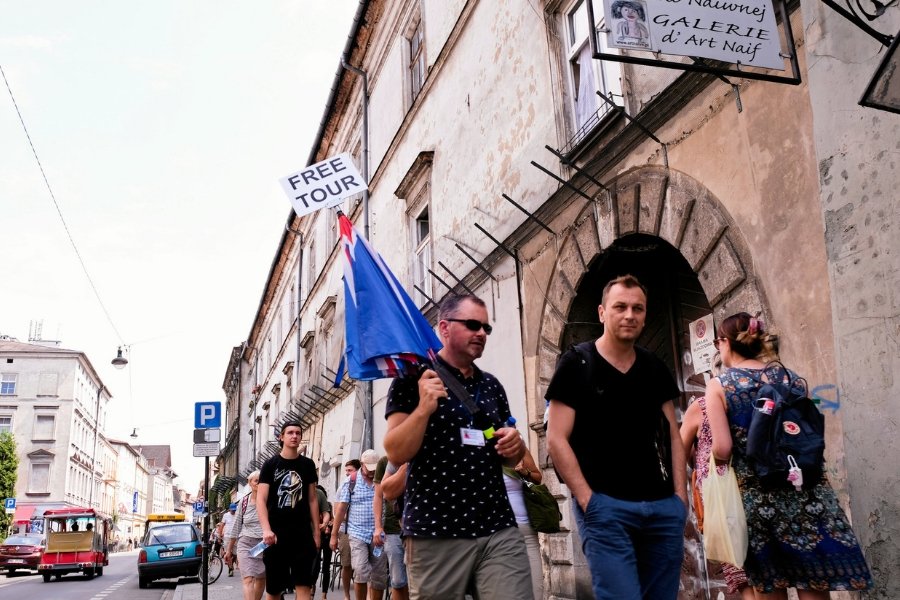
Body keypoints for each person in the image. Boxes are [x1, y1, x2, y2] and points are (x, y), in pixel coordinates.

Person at [704, 312, 873, 598]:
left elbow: (723, 448)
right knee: (814, 582)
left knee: (771, 585)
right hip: (806, 492)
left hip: (759, 498)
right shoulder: (791, 378)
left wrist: (714, 462)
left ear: (725, 342)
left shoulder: (719, 386)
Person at [546, 274, 687, 600]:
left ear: (645, 315)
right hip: (606, 507)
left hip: (662, 510)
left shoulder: (653, 366)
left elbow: (673, 436)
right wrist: (588, 501)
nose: (629, 315)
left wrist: (680, 499)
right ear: (602, 312)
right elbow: (556, 439)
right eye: (620, 307)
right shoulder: (577, 363)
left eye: (638, 308)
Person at [384, 293, 533, 600]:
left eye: (486, 328)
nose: (481, 333)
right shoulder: (413, 379)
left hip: (497, 528)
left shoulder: (492, 386)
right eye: (472, 325)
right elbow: (396, 452)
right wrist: (423, 408)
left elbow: (508, 460)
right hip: (436, 532)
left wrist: (515, 446)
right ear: (444, 328)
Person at [680, 354, 753, 599]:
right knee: (764, 577)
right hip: (758, 492)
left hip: (722, 499)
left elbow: (680, 451)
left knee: (741, 574)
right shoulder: (757, 399)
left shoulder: (701, 407)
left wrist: (699, 459)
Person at [257, 421, 320, 600]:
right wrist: (266, 529)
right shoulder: (270, 465)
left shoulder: (307, 465)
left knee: (304, 586)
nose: (294, 436)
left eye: (298, 433)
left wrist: (316, 532)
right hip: (276, 535)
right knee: (274, 590)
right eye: (290, 433)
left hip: (302, 534)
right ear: (281, 437)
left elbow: (312, 499)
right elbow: (261, 499)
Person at [330, 449, 387, 600]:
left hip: (378, 534)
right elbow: (341, 510)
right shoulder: (351, 481)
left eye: (375, 468)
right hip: (357, 533)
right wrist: (334, 535)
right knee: (361, 570)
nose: (372, 472)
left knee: (379, 576)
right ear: (362, 464)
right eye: (369, 468)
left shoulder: (382, 479)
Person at [501, 448, 543, 600]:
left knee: (536, 586)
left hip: (525, 529)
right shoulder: (476, 450)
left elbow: (538, 477)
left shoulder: (517, 448)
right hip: (498, 532)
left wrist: (525, 472)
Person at [225, 470, 266, 600]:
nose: (259, 483)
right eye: (256, 481)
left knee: (261, 579)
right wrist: (229, 550)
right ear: (250, 483)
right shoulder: (243, 502)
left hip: (264, 545)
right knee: (248, 579)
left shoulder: (269, 500)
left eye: (261, 481)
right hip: (246, 544)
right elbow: (236, 527)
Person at [373, 456, 409, 600]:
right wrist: (378, 527)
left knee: (415, 579)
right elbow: (378, 496)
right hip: (392, 529)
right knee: (398, 581)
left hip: (416, 528)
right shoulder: (385, 462)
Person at [333, 460, 360, 600]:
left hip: (362, 530)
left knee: (362, 566)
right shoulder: (343, 486)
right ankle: (347, 595)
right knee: (347, 564)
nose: (347, 473)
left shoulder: (366, 485)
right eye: (346, 470)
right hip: (345, 531)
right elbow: (337, 512)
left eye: (350, 470)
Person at [313, 484, 333, 600]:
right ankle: (312, 588)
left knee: (326, 567)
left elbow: (333, 519)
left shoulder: (328, 507)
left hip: (327, 538)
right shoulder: (312, 507)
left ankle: (324, 594)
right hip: (317, 538)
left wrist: (329, 523)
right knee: (315, 565)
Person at [222, 502, 238, 576]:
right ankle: (230, 569)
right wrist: (220, 534)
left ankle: (231, 562)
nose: (233, 511)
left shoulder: (238, 514)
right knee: (228, 553)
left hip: (236, 536)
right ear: (229, 509)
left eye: (234, 510)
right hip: (227, 536)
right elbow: (222, 525)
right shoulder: (226, 515)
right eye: (232, 510)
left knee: (235, 554)